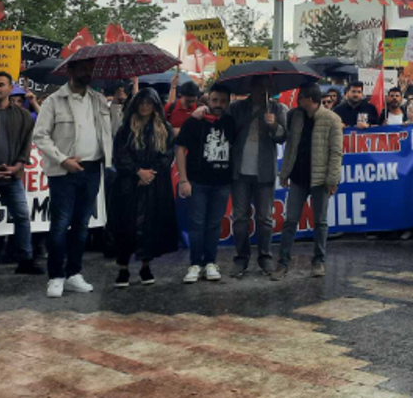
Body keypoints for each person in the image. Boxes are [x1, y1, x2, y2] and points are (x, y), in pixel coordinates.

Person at [32, 58, 114, 298]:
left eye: (90, 69)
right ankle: (56, 277)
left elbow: (108, 132)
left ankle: (74, 274)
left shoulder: (99, 100)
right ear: (70, 70)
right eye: (82, 68)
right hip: (64, 170)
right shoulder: (53, 101)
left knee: (81, 226)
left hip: (91, 170)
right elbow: (40, 136)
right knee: (60, 225)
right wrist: (62, 159)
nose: (87, 72)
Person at [272, 83, 344, 280]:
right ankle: (283, 263)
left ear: (311, 100)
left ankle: (318, 261)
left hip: (320, 180)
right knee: (290, 221)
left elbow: (336, 153)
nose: (297, 102)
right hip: (298, 177)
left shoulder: (332, 119)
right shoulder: (295, 116)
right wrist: (284, 173)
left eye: (301, 98)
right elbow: (289, 146)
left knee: (320, 222)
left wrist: (332, 179)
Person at [108, 88, 177, 288]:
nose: (145, 106)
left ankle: (146, 266)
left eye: (149, 103)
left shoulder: (164, 128)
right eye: (142, 102)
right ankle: (123, 268)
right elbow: (120, 155)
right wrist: (137, 171)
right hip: (128, 185)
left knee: (149, 226)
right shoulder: (126, 129)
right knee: (125, 225)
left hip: (153, 186)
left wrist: (150, 173)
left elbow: (167, 155)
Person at [222, 77, 287, 277]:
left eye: (265, 86)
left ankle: (265, 257)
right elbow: (227, 131)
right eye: (258, 86)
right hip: (239, 171)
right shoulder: (236, 108)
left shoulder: (278, 109)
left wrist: (273, 125)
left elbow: (283, 136)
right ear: (251, 88)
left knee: (265, 219)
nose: (261, 90)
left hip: (264, 172)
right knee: (240, 218)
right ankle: (241, 258)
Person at [176, 82, 236, 283]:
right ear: (207, 99)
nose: (218, 104)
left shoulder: (231, 122)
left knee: (214, 225)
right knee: (197, 224)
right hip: (197, 182)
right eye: (214, 100)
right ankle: (195, 263)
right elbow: (180, 149)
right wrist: (183, 179)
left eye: (223, 101)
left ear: (229, 102)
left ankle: (210, 262)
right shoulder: (194, 122)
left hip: (222, 183)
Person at [0, 71, 41, 278]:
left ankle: (25, 259)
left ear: (11, 88)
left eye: (0, 85)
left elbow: (26, 143)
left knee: (21, 216)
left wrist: (17, 166)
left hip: (13, 175)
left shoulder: (23, 115)